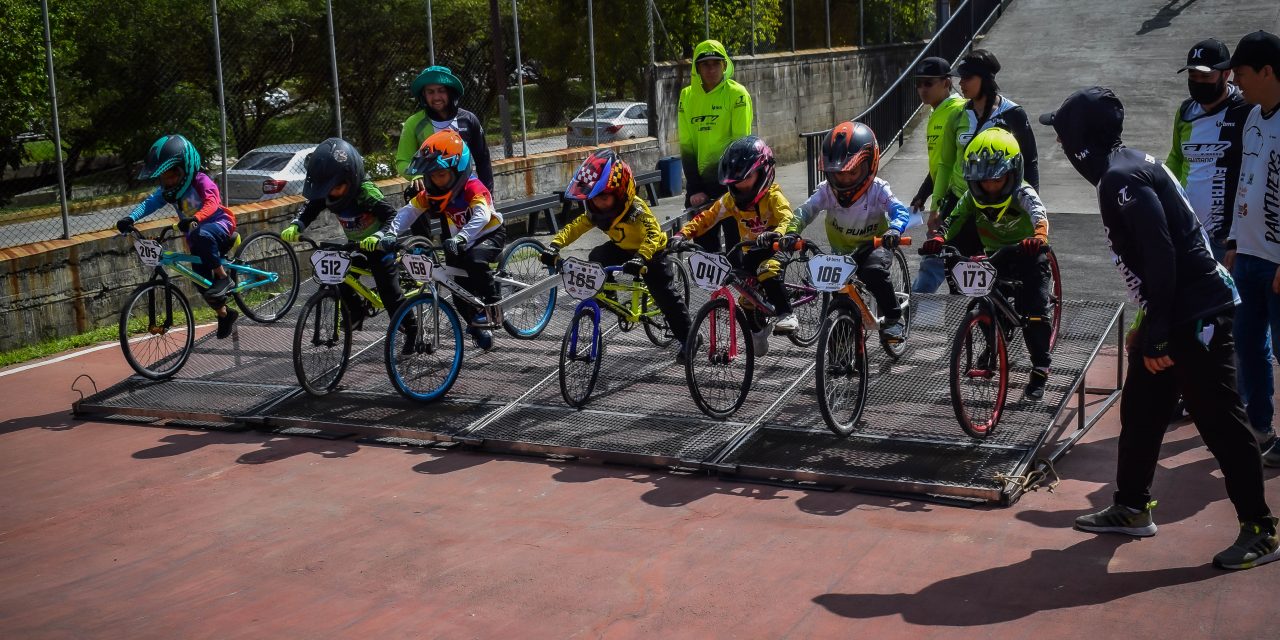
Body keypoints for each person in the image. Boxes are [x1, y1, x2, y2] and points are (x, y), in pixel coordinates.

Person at [1042, 85, 1277, 570]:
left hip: (1199, 315)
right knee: (1144, 410)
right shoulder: (1128, 166)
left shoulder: (1120, 180)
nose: (1061, 148)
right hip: (1176, 311)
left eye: (1063, 136)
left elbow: (1163, 254)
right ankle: (1131, 507)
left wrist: (1160, 332)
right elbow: (1159, 260)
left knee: (1222, 423)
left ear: (1080, 140)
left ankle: (1261, 530)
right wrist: (1149, 323)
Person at [920, 128, 1053, 400]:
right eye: (982, 180)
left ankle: (1040, 367)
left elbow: (1039, 213)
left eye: (996, 178)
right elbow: (953, 219)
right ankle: (995, 339)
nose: (989, 186)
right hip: (994, 255)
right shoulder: (971, 197)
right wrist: (939, 237)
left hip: (1027, 252)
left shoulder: (1022, 192)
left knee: (1035, 311)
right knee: (982, 302)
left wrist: (1038, 235)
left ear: (1013, 172)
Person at [539, 150, 695, 363]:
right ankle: (608, 297)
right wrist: (554, 246)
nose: (597, 203)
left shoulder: (636, 210)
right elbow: (576, 227)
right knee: (597, 256)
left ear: (622, 193)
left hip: (651, 253)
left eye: (603, 197)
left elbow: (654, 234)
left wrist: (641, 257)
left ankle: (691, 339)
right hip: (623, 249)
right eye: (593, 198)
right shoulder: (595, 211)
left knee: (665, 296)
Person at [784, 121, 910, 342]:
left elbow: (899, 210)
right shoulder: (826, 191)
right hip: (840, 253)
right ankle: (842, 341)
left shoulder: (878, 189)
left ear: (869, 164)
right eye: (838, 174)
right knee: (837, 292)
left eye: (851, 172)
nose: (844, 179)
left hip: (875, 247)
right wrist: (792, 232)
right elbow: (805, 211)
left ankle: (894, 317)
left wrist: (895, 229)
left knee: (873, 273)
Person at [671, 136, 794, 356]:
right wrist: (682, 234)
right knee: (745, 296)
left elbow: (788, 217)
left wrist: (779, 234)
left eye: (746, 178)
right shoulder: (729, 201)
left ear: (764, 173)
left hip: (777, 247)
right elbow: (706, 218)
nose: (739, 186)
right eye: (735, 181)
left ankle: (787, 313)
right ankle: (758, 331)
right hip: (751, 251)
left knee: (768, 271)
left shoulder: (773, 196)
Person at [279, 138, 413, 338]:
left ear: (351, 178)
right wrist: (297, 224)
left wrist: (378, 236)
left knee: (389, 294)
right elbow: (311, 207)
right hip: (356, 246)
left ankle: (411, 329)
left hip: (381, 247)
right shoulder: (327, 193)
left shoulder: (366, 193)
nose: (330, 192)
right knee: (337, 275)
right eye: (326, 187)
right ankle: (356, 312)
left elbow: (392, 217)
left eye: (335, 186)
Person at [388, 129, 504, 351]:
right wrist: (391, 233)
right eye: (432, 176)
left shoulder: (473, 187)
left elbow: (482, 215)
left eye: (441, 174)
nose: (436, 181)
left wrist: (462, 236)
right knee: (456, 287)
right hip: (459, 240)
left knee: (475, 261)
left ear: (458, 169)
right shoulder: (432, 193)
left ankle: (492, 305)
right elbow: (409, 211)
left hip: (488, 233)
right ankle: (475, 325)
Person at [115, 134, 239, 339]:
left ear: (185, 168)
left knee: (201, 236)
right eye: (164, 178)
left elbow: (212, 202)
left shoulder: (201, 180)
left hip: (219, 225)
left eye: (172, 175)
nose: (168, 181)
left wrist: (196, 218)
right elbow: (149, 203)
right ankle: (225, 315)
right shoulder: (168, 190)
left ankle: (223, 277)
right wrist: (130, 218)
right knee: (201, 281)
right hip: (197, 236)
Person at [1223, 30, 1280, 466]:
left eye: (1241, 73)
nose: (1235, 82)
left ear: (1267, 71)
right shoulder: (1251, 116)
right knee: (1246, 343)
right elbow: (1245, 179)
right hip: (1248, 255)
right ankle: (1259, 427)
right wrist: (1233, 241)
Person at [931, 50, 1041, 265]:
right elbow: (945, 163)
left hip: (999, 200)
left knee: (1003, 267)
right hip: (961, 201)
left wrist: (1030, 203)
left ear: (986, 79)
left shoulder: (1013, 114)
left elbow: (1030, 160)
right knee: (957, 268)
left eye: (967, 78)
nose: (961, 83)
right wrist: (935, 206)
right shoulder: (957, 114)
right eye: (960, 78)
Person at [1166, 38, 1252, 262]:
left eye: (1205, 77)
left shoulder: (1246, 110)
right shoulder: (1185, 111)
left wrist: (1239, 233)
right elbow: (1176, 158)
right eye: (1192, 76)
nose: (1197, 82)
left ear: (1226, 74)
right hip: (1190, 232)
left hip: (1227, 239)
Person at [678, 39, 754, 253]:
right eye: (705, 64)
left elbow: (741, 146)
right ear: (697, 68)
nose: (711, 69)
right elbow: (686, 145)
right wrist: (694, 188)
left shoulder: (738, 94)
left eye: (715, 63)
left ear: (724, 65)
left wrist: (731, 186)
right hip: (700, 187)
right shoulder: (686, 96)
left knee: (736, 253)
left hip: (733, 185)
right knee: (705, 258)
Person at [908, 56, 968, 293]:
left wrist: (940, 205)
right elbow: (939, 164)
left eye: (928, 83)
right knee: (940, 261)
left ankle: (908, 313)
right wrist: (923, 194)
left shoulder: (958, 111)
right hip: (942, 200)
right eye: (919, 83)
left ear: (946, 82)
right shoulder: (936, 112)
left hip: (956, 201)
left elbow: (952, 162)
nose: (922, 89)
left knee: (942, 260)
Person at [395, 65, 494, 195]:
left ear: (450, 91)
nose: (436, 97)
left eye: (441, 90)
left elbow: (483, 161)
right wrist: (415, 175)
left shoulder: (469, 120)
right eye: (430, 92)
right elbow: (402, 161)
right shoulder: (413, 123)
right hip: (432, 191)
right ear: (423, 95)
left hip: (466, 190)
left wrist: (489, 197)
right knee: (412, 192)